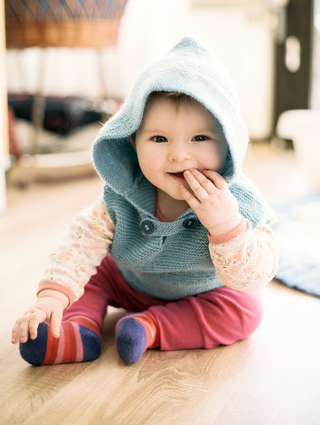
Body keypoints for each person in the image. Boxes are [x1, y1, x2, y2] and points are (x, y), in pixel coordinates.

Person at [11, 37, 278, 366]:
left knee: (246, 309)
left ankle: (149, 327)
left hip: (203, 293)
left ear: (228, 143)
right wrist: (52, 296)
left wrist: (226, 225)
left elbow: (254, 276)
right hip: (127, 279)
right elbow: (81, 243)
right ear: (133, 142)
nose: (179, 154)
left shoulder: (239, 200)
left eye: (200, 138)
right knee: (92, 273)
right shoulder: (122, 194)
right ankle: (75, 331)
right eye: (159, 138)